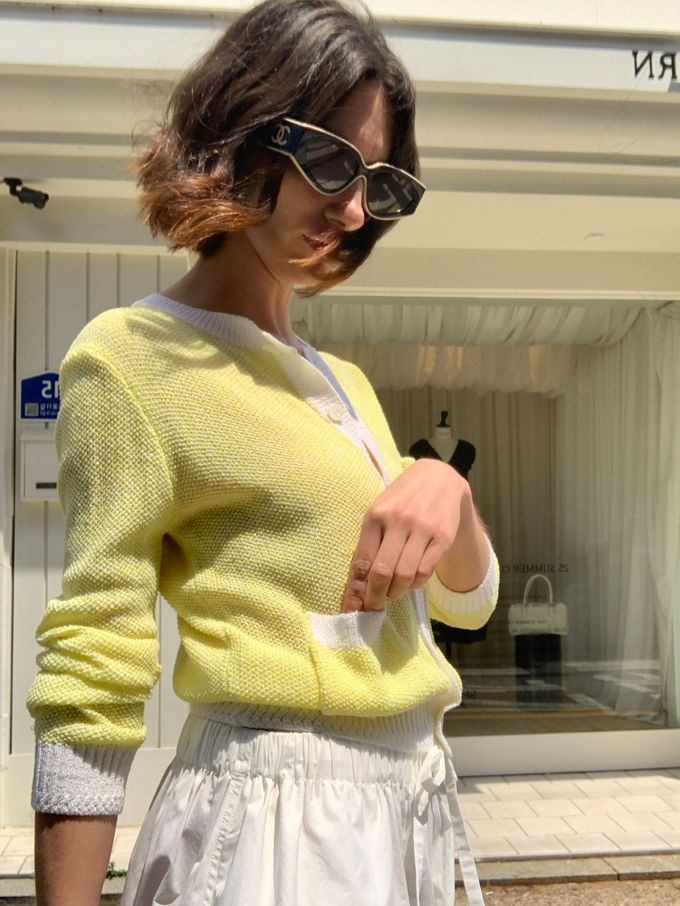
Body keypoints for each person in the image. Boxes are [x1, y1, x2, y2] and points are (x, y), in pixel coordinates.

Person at [27, 2, 499, 904]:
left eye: (378, 183)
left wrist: (448, 488)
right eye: (330, 160)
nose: (352, 210)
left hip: (407, 814)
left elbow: (468, 605)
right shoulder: (132, 359)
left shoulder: (344, 383)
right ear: (243, 132)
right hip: (275, 834)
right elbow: (94, 660)